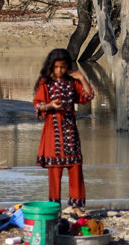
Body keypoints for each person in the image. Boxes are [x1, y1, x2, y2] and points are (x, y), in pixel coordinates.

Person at [34, 48, 94, 215]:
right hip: (53, 131)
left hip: (70, 129)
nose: (59, 71)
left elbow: (88, 96)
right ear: (51, 67)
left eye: (63, 67)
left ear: (68, 67)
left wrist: (81, 78)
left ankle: (76, 207)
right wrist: (50, 106)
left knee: (75, 166)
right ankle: (55, 207)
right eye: (56, 67)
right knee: (55, 169)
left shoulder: (72, 82)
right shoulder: (45, 83)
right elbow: (37, 105)